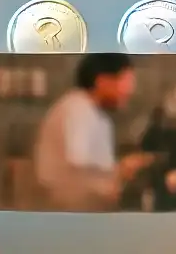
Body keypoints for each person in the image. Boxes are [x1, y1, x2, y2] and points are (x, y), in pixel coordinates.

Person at [31, 53, 148, 210]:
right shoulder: (77, 109)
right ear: (102, 81)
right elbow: (78, 166)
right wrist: (121, 169)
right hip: (70, 214)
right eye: (125, 81)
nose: (130, 90)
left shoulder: (94, 113)